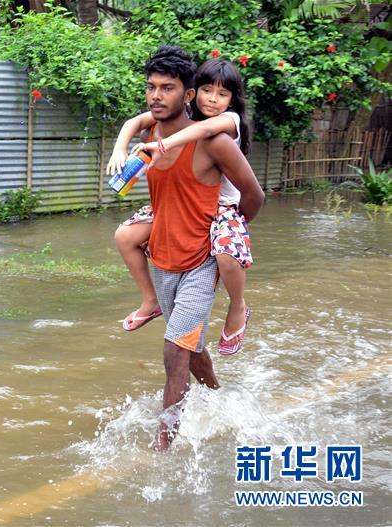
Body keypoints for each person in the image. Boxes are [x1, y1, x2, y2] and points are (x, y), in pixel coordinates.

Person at [118, 46, 264, 450]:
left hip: (201, 262)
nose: (156, 96)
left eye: (167, 88)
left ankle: (163, 448)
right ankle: (221, 399)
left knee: (174, 353)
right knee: (193, 346)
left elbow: (254, 195)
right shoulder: (150, 134)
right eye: (151, 87)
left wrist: (226, 230)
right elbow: (136, 126)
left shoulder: (216, 139)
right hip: (163, 260)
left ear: (186, 95)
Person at [107, 58, 254, 355]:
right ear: (192, 93)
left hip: (221, 208)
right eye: (206, 90)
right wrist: (120, 149)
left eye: (223, 94)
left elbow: (202, 131)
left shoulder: (230, 122)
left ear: (233, 99)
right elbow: (134, 122)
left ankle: (238, 307)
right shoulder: (182, 116)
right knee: (125, 236)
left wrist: (163, 144)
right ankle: (150, 301)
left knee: (226, 257)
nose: (213, 99)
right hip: (180, 203)